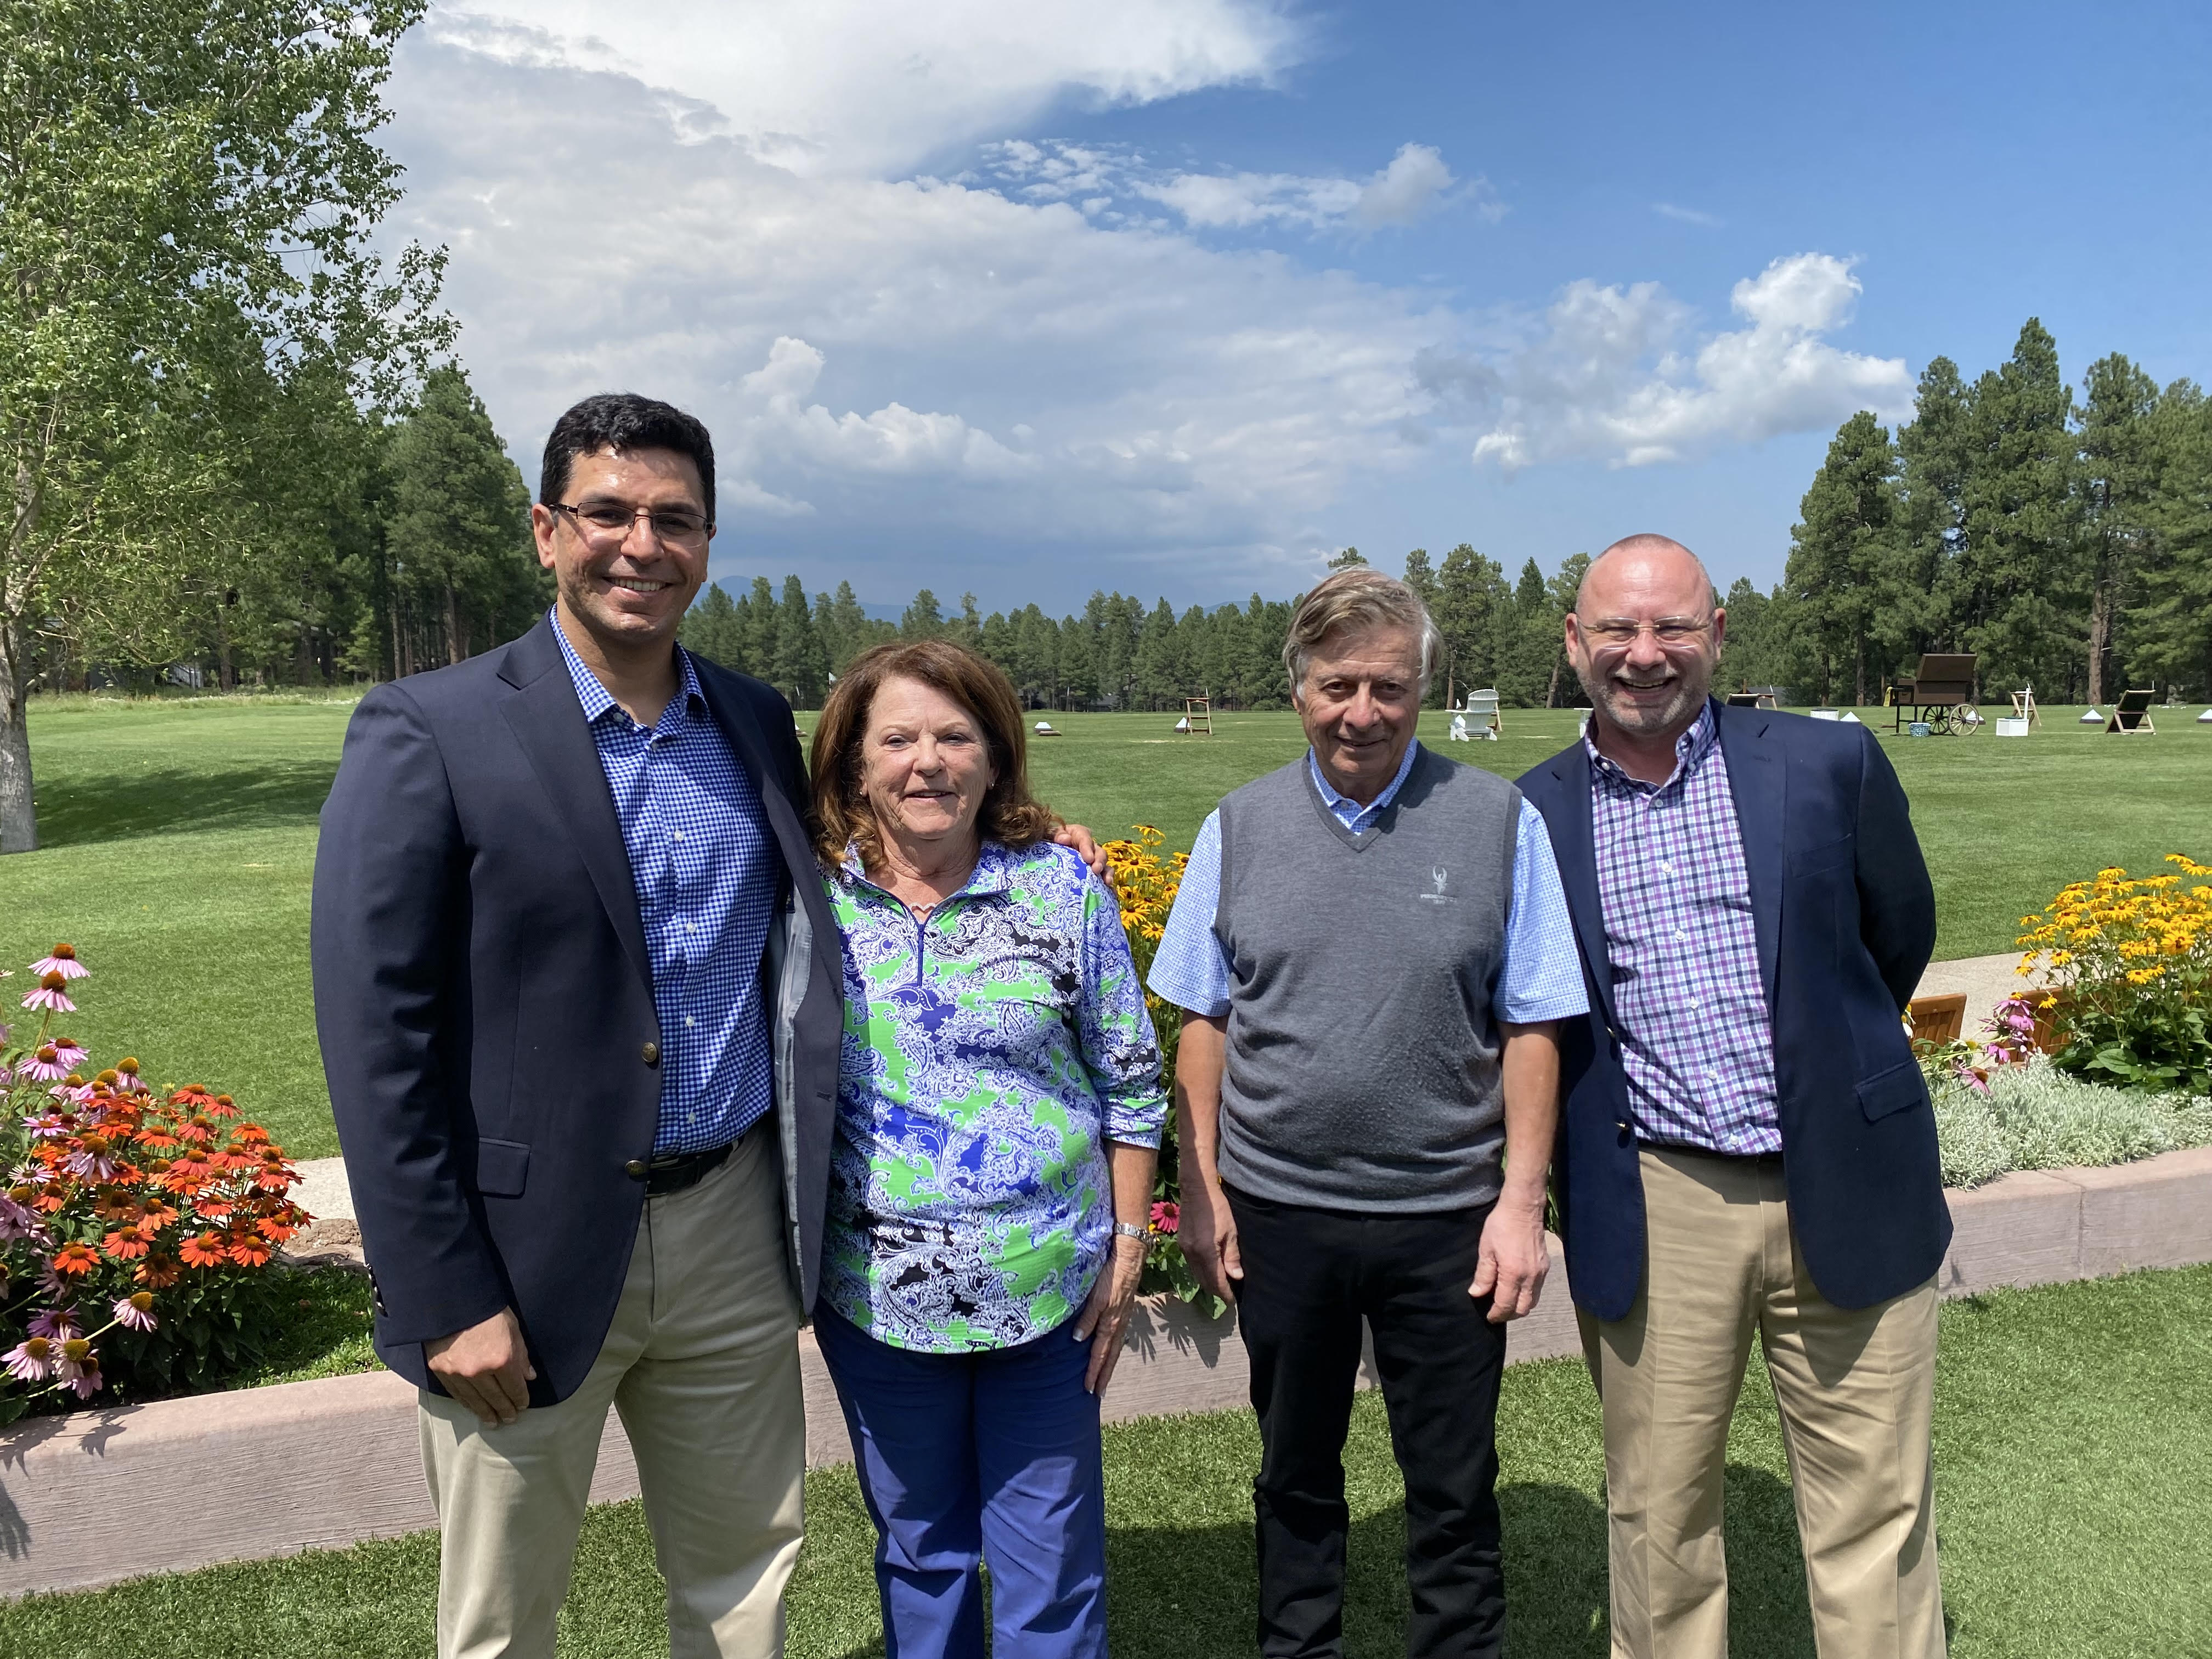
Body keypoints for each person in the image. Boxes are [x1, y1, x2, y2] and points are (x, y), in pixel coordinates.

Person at [311, 392, 1107, 1659]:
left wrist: (1027, 838)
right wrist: (441, 1289)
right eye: (608, 513)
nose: (642, 544)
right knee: (504, 1616)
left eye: (674, 519)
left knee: (744, 1585)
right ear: (544, 531)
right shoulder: (432, 730)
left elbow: (875, 843)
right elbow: (375, 1036)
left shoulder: (745, 718)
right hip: (526, 1251)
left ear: (708, 539)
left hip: (734, 1232)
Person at [1517, 534, 1949, 1659]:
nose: (1644, 655)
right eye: (1616, 629)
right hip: (1660, 1200)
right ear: (1574, 643)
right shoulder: (1532, 815)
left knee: (1877, 1519)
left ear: (1717, 634)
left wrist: (1829, 1067)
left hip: (1847, 1178)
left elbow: (1894, 936)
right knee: (1659, 1525)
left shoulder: (1829, 763)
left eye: (1672, 627)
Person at [1148, 568, 1588, 1659]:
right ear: (1297, 689)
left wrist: (1520, 1203)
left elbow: (1535, 1023)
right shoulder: (1238, 828)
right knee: (1294, 1478)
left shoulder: (1497, 822)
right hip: (1281, 1214)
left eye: (1388, 687)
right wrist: (1197, 1193)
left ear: (1424, 689)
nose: (1362, 711)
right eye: (1337, 684)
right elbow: (1201, 1024)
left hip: (1448, 1218)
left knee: (1453, 1491)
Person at [806, 640, 1165, 1659]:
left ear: (997, 759)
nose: (929, 762)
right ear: (854, 765)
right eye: (900, 739)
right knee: (921, 1555)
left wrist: (1129, 1246)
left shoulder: (1061, 888)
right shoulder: (808, 897)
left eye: (957, 736)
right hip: (873, 1296)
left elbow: (1131, 1081)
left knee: (1051, 1569)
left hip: (1049, 1291)